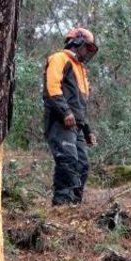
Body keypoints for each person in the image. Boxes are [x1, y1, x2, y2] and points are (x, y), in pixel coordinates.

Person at [43, 28, 98, 206]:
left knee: (82, 165)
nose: (88, 52)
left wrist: (87, 130)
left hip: (77, 126)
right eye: (87, 47)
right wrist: (65, 112)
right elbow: (52, 87)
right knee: (68, 160)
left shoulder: (80, 69)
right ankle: (61, 205)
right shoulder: (60, 58)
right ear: (77, 42)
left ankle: (75, 205)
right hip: (60, 122)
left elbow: (80, 104)